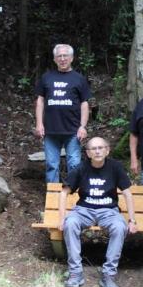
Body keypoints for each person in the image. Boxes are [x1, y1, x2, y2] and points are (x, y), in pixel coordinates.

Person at [59, 137, 137, 287]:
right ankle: (75, 273)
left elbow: (127, 194)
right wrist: (62, 219)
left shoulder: (115, 167)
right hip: (84, 210)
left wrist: (132, 220)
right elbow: (63, 193)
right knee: (70, 223)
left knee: (119, 226)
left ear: (107, 150)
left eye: (101, 147)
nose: (97, 151)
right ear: (88, 153)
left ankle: (109, 274)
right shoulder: (81, 168)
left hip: (108, 211)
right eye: (93, 149)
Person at [34, 44, 92, 183]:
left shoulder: (79, 79)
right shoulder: (47, 77)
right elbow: (40, 101)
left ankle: (73, 195)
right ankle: (53, 197)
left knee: (74, 165)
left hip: (73, 131)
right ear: (54, 59)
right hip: (50, 131)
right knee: (51, 165)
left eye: (65, 55)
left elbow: (84, 104)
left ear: (71, 58)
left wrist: (83, 126)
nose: (62, 58)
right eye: (59, 56)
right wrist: (39, 124)